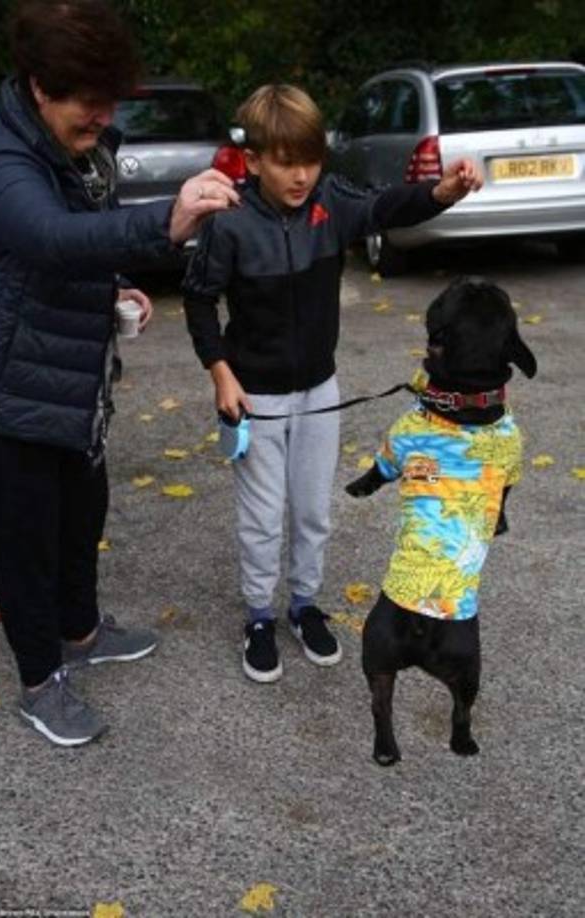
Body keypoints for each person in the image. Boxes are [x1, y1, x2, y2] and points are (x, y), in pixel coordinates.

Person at [0, 0, 239, 746]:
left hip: (68, 382)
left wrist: (117, 284)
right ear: (38, 87)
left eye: (109, 99)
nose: (103, 115)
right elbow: (47, 237)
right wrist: (167, 221)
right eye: (87, 101)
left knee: (80, 514)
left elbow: (77, 246)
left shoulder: (79, 151)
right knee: (23, 541)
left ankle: (81, 633)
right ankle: (39, 681)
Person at [183, 84, 483, 684]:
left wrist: (441, 192)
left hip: (320, 390)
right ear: (254, 161)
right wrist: (221, 373)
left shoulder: (330, 202)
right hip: (255, 399)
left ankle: (304, 604)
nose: (301, 176)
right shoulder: (230, 223)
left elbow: (389, 206)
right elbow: (198, 298)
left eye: (311, 160)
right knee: (263, 517)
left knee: (313, 510)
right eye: (285, 162)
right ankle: (260, 616)